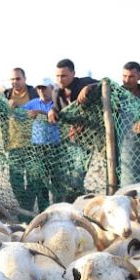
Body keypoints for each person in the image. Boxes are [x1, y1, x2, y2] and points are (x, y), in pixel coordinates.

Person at [48, 59, 98, 201]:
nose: (60, 79)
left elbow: (107, 84)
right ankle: (72, 203)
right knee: (68, 176)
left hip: (93, 136)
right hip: (71, 141)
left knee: (79, 176)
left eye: (64, 76)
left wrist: (89, 88)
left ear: (73, 73)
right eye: (57, 76)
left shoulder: (83, 82)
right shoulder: (56, 92)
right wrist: (52, 110)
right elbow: (57, 109)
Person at [3, 68, 38, 216]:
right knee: (15, 179)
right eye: (12, 79)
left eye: (18, 79)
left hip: (33, 144)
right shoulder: (7, 94)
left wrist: (36, 110)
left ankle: (26, 211)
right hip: (14, 143)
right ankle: (26, 209)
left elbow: (45, 105)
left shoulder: (34, 93)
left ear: (25, 79)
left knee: (32, 179)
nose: (14, 82)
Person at [21, 84, 60, 212]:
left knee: (56, 180)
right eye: (39, 89)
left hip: (55, 147)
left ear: (52, 89)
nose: (41, 91)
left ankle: (57, 209)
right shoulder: (32, 103)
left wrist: (40, 112)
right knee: (40, 179)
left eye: (44, 88)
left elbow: (61, 115)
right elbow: (20, 113)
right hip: (37, 147)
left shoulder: (57, 102)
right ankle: (44, 210)